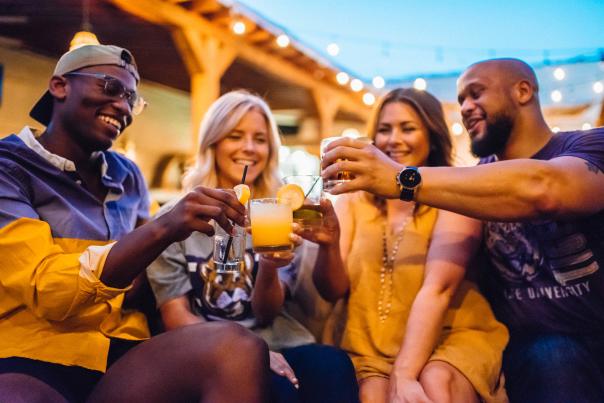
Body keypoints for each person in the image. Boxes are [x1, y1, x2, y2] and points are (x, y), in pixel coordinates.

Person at [321, 59, 604, 402]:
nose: (466, 107)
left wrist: (399, 178)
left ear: (523, 90)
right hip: (520, 339)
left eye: (476, 93)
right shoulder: (473, 177)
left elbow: (546, 188)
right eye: (461, 100)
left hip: (585, 334)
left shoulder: (590, 146)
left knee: (551, 355)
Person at [0, 44, 271, 403]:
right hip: (34, 355)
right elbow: (47, 292)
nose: (124, 108)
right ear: (60, 86)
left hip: (124, 350)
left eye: (132, 99)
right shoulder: (9, 167)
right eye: (111, 88)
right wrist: (163, 228)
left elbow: (142, 285)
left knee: (238, 346)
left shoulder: (127, 175)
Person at [146, 90, 359, 403]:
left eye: (259, 139)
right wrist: (250, 352)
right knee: (279, 391)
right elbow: (175, 318)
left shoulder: (278, 212)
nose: (249, 147)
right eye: (235, 135)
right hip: (208, 347)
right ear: (213, 142)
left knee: (334, 367)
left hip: (279, 336)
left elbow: (266, 313)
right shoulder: (176, 218)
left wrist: (271, 268)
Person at [305, 88, 508, 403]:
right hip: (368, 344)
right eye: (384, 130)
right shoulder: (353, 198)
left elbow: (438, 289)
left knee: (436, 383)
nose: (393, 140)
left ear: (433, 136)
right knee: (372, 396)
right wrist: (329, 245)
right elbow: (331, 291)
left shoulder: (452, 193)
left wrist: (403, 373)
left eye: (408, 128)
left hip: (450, 336)